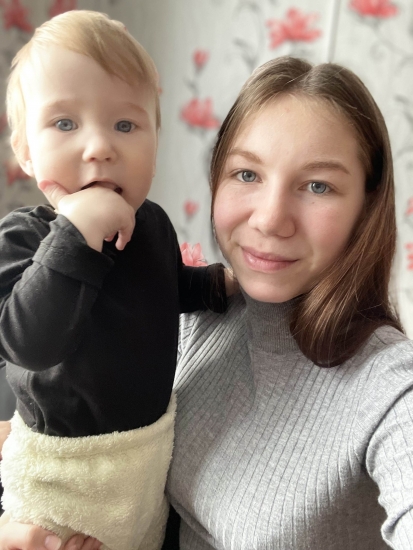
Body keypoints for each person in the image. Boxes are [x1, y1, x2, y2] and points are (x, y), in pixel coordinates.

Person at [1, 55, 413, 549]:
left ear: (367, 206)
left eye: (317, 186)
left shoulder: (390, 390)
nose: (270, 219)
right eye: (247, 174)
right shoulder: (194, 321)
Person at [0, 10, 231, 550]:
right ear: (26, 152)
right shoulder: (23, 237)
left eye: (125, 125)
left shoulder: (152, 224)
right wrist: (75, 234)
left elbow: (166, 290)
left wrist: (216, 285)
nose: (100, 146)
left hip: (142, 456)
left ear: (155, 142)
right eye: (65, 124)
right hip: (61, 468)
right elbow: (27, 343)